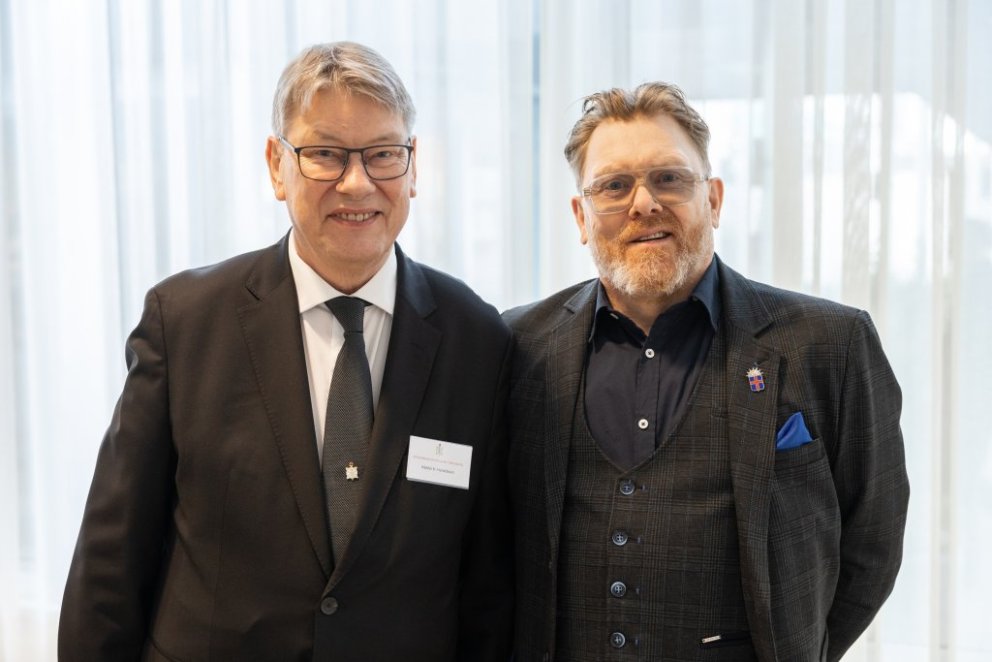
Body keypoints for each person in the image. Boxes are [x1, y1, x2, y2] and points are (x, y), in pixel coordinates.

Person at [58, 42, 513, 662]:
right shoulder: (184, 323)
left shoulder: (477, 340)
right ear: (277, 165)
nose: (358, 182)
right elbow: (111, 564)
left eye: (383, 154)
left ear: (413, 167)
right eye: (325, 154)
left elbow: (488, 586)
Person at [504, 82, 909, 661]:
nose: (644, 203)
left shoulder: (830, 344)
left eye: (669, 178)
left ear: (713, 200)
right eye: (614, 186)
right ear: (582, 216)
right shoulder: (520, 345)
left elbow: (873, 542)